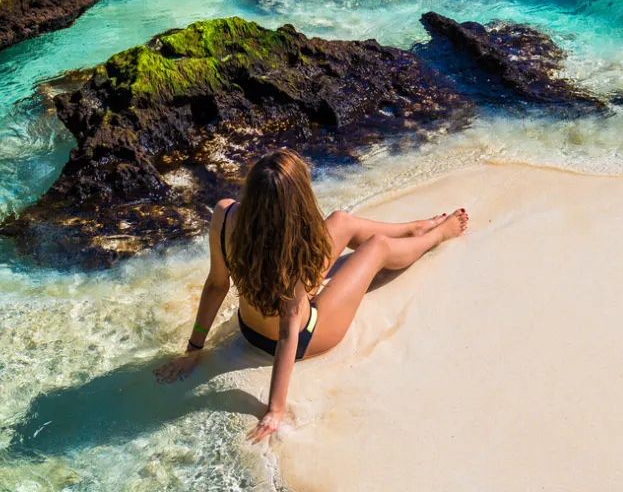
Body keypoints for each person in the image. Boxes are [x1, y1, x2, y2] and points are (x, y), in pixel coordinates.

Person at [154, 148, 469, 443]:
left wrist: (194, 349)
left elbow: (216, 285)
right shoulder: (293, 246)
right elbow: (289, 331)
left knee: (341, 222)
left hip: (251, 329)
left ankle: (413, 228)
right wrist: (275, 409)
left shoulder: (224, 216)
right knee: (377, 247)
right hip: (309, 335)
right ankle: (438, 234)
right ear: (299, 200)